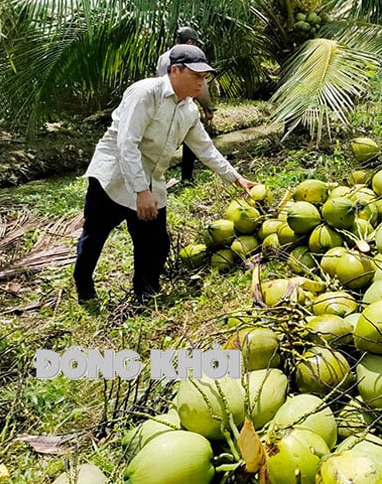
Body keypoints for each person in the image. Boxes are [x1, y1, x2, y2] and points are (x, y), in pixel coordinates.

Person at [74, 44, 256, 302]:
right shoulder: (145, 93)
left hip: (150, 180)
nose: (200, 83)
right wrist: (140, 190)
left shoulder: (189, 109)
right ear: (175, 70)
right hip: (113, 176)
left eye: (204, 78)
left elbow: (205, 149)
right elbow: (127, 144)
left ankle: (145, 294)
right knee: (95, 236)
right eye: (195, 76)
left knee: (156, 244)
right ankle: (84, 287)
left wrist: (236, 179)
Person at [156, 26, 217, 183]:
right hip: (182, 103)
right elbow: (201, 87)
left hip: (163, 103)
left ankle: (155, 175)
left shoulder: (163, 57)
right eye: (195, 43)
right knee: (190, 139)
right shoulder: (191, 59)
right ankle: (187, 177)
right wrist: (208, 108)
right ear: (190, 41)